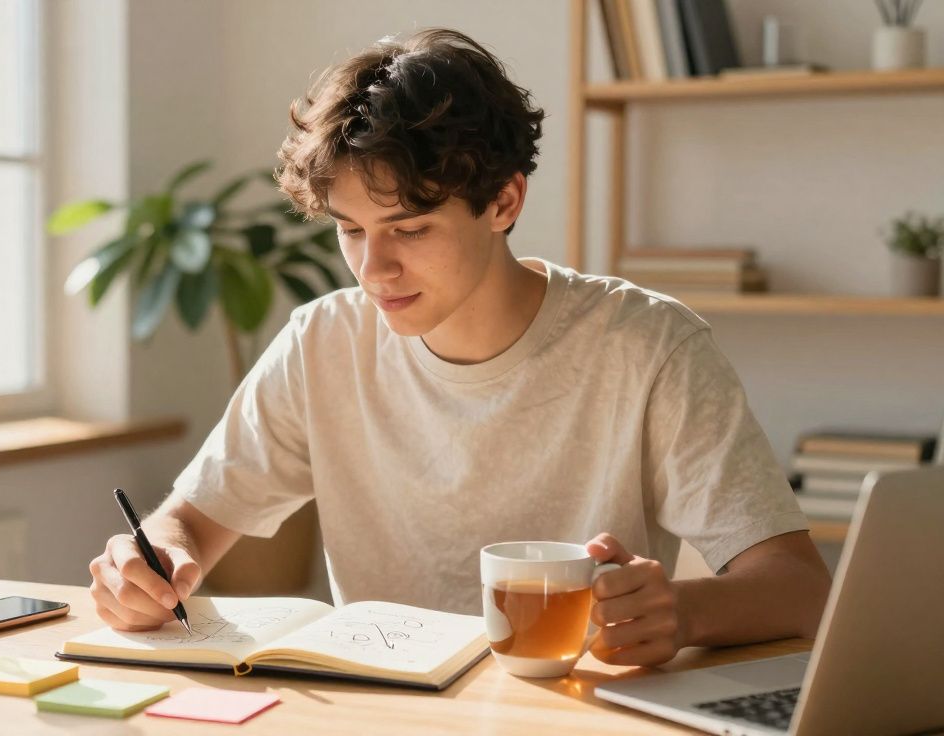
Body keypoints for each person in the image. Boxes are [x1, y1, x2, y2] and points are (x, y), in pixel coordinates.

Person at [88, 28, 830, 667]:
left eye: (409, 229)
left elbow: (800, 588)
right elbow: (188, 522)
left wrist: (683, 612)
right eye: (351, 230)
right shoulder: (323, 343)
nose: (373, 269)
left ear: (504, 201)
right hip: (387, 711)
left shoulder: (649, 346)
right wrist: (149, 560)